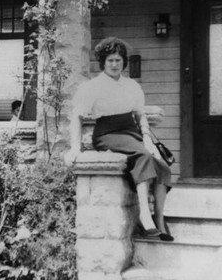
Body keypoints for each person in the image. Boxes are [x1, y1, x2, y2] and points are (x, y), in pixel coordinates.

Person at [67, 37, 173, 241]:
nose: (114, 65)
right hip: (107, 133)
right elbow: (77, 117)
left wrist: (148, 139)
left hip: (131, 130)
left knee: (162, 166)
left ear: (123, 61)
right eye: (110, 61)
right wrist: (75, 147)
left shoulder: (132, 86)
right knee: (143, 156)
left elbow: (140, 114)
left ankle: (159, 218)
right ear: (103, 63)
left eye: (118, 60)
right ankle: (144, 214)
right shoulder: (93, 86)